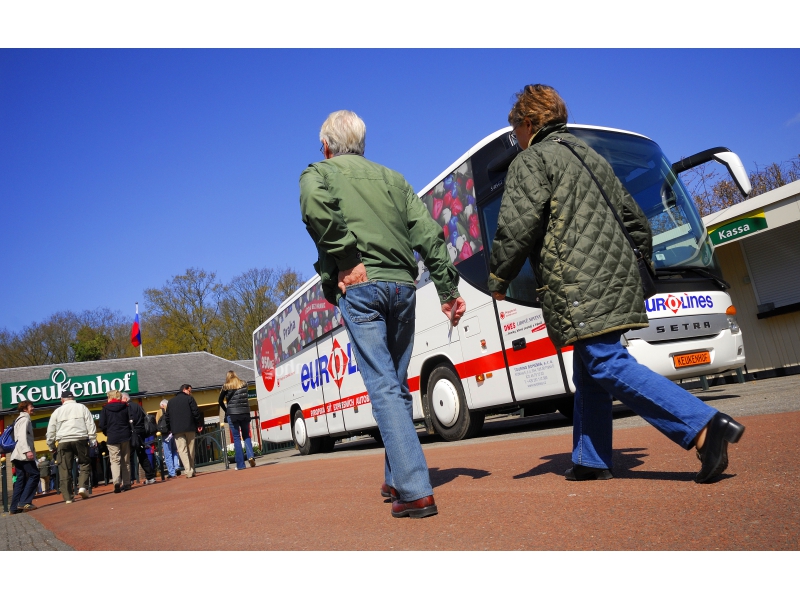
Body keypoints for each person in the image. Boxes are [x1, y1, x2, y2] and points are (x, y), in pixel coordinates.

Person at [488, 84, 745, 483]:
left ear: (529, 122)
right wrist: (628, 269)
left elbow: (516, 225)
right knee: (590, 366)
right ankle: (590, 459)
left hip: (577, 280)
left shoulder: (532, 159)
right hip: (614, 275)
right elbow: (636, 222)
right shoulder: (592, 156)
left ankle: (704, 425)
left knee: (604, 361)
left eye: (515, 130)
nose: (516, 139)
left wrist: (499, 276)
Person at [299, 110, 466, 518]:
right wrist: (447, 289)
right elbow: (428, 233)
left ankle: (414, 490)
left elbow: (315, 209)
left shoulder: (317, 173)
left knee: (383, 386)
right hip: (403, 287)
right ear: (361, 144)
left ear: (327, 146)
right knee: (396, 383)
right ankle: (395, 478)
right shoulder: (394, 179)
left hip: (361, 286)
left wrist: (346, 259)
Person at [46, 389, 97, 502]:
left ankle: (68, 497)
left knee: (64, 469)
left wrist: (51, 446)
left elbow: (50, 431)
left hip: (63, 441)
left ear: (62, 400)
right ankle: (82, 487)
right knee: (84, 463)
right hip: (80, 439)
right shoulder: (82, 407)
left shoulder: (57, 411)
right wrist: (93, 439)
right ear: (73, 398)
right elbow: (90, 424)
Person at [218, 370, 255, 470]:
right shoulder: (244, 384)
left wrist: (226, 410)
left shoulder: (226, 386)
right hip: (245, 412)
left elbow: (220, 401)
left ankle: (240, 464)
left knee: (236, 438)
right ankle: (250, 456)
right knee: (246, 435)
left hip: (233, 414)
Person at [98, 389, 132, 492]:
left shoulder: (105, 409)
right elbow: (129, 421)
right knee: (126, 460)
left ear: (110, 397)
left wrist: (107, 433)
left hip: (112, 436)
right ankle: (127, 483)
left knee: (115, 460)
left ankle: (116, 481)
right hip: (125, 435)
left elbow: (102, 424)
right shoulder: (125, 407)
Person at [165, 384, 203, 479]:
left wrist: (170, 428)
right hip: (190, 427)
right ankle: (192, 469)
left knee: (182, 450)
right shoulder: (189, 399)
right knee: (191, 449)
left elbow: (167, 417)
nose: (190, 393)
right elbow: (195, 412)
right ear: (184, 390)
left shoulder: (171, 402)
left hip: (177, 430)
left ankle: (188, 470)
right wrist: (199, 424)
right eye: (189, 391)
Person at [9, 400, 40, 513]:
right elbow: (22, 437)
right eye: (31, 406)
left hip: (17, 454)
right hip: (23, 454)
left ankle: (14, 508)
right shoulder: (25, 419)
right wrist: (27, 451)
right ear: (24, 409)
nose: (33, 408)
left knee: (20, 479)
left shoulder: (18, 419)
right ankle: (24, 502)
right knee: (35, 474)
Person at [121, 393, 157, 484]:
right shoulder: (138, 406)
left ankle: (130, 479)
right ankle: (150, 477)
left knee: (129, 457)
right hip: (141, 433)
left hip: (132, 433)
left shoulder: (126, 407)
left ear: (125, 399)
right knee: (142, 455)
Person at [157, 400, 182, 478]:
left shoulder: (160, 411)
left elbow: (157, 422)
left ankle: (171, 472)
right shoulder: (173, 410)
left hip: (166, 435)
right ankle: (177, 466)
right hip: (174, 433)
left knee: (168, 453)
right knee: (174, 451)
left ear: (162, 405)